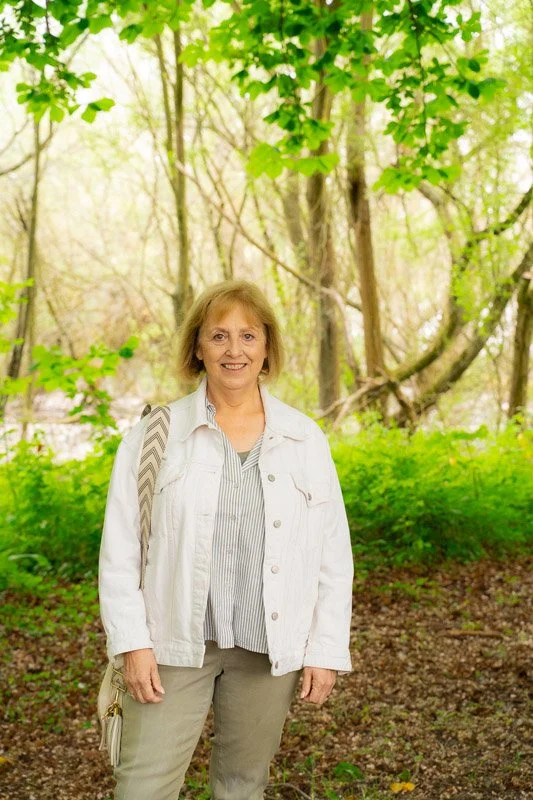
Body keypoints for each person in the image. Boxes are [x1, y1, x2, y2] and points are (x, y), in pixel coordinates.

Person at [98, 279, 354, 800]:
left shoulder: (304, 439)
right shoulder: (156, 435)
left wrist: (325, 648)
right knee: (142, 788)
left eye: (248, 336)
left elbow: (332, 553)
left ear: (266, 348)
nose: (234, 350)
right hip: (173, 643)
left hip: (267, 646)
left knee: (241, 787)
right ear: (197, 347)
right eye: (218, 336)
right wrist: (131, 643)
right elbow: (120, 548)